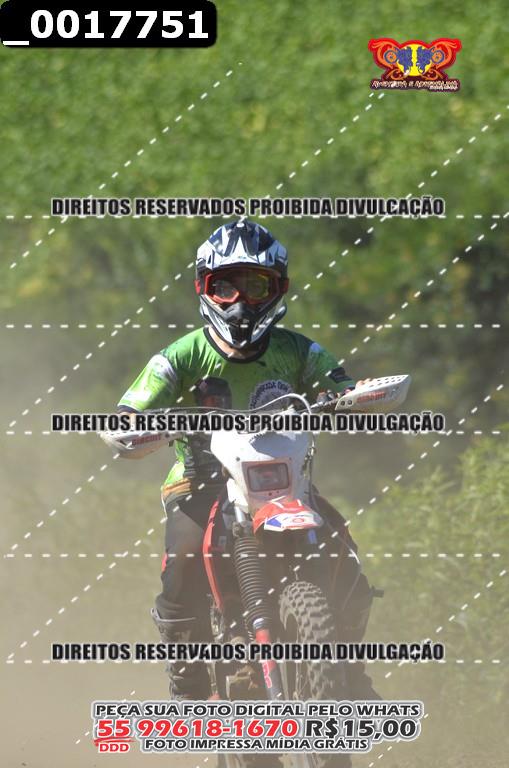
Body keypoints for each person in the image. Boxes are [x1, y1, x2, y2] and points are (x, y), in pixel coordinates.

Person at [101, 220, 380, 702]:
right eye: (225, 286)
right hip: (200, 481)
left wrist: (355, 396)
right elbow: (130, 410)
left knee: (343, 550)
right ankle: (187, 678)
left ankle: (348, 671)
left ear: (279, 289)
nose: (240, 301)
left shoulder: (299, 350)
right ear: (203, 287)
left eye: (256, 286)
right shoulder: (181, 355)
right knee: (185, 557)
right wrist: (133, 425)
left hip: (284, 480)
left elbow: (342, 385)